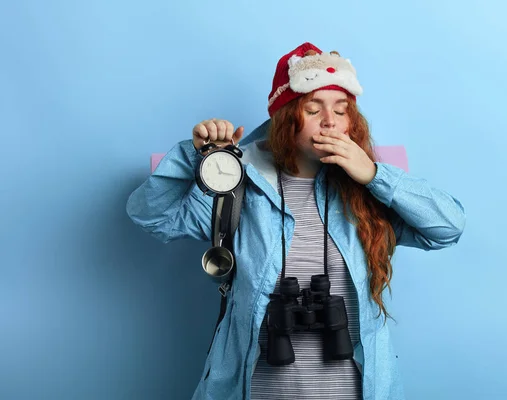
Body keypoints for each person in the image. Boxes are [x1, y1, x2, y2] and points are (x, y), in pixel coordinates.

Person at [126, 42, 466, 400]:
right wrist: (194, 155)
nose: (330, 121)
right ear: (287, 117)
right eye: (313, 108)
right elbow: (153, 217)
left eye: (342, 109)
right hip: (257, 390)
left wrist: (374, 175)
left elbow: (448, 227)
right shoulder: (239, 186)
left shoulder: (366, 191)